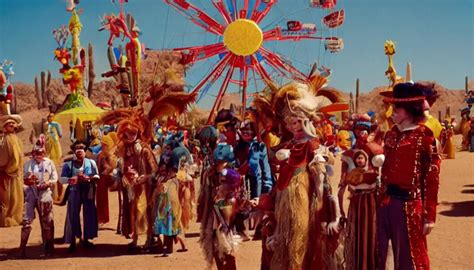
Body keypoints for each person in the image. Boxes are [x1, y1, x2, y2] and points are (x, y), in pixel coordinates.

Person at [378, 82, 441, 269]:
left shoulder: (426, 138)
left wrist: (429, 216)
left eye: (396, 107)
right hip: (386, 203)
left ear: (409, 109)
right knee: (381, 253)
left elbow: (432, 179)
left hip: (410, 207)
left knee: (411, 258)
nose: (392, 111)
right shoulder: (390, 135)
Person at [61, 140, 100, 252]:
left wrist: (90, 178)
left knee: (89, 214)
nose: (80, 151)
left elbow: (97, 175)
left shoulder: (91, 162)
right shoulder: (68, 164)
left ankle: (87, 239)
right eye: (77, 149)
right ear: (74, 152)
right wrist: (73, 179)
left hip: (88, 191)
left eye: (82, 149)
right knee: (73, 214)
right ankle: (72, 240)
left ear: (85, 151)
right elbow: (62, 179)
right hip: (74, 191)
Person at [20, 146, 58, 257]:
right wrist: (29, 179)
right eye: (37, 153)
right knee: (27, 220)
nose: (39, 155)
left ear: (44, 154)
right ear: (33, 154)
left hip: (45, 193)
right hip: (31, 193)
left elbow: (54, 177)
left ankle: (48, 248)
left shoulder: (49, 163)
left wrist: (48, 183)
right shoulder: (28, 164)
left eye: (41, 153)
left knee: (47, 221)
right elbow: (24, 177)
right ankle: (22, 249)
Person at [0, 114, 24, 227]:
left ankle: (16, 217)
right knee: (7, 198)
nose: (11, 126)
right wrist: (6, 169)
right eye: (9, 124)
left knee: (17, 197)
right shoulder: (5, 140)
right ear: (5, 127)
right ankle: (6, 218)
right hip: (7, 173)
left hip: (17, 174)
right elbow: (3, 157)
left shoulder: (17, 139)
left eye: (13, 124)